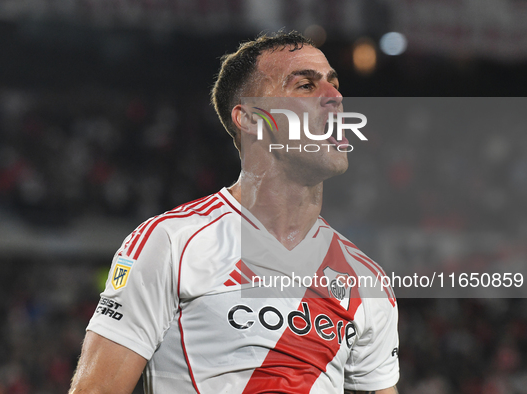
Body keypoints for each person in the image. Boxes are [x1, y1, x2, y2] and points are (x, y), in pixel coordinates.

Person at [69, 31, 399, 394]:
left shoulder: (367, 280)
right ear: (250, 119)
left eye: (334, 86)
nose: (334, 97)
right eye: (305, 86)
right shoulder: (172, 243)